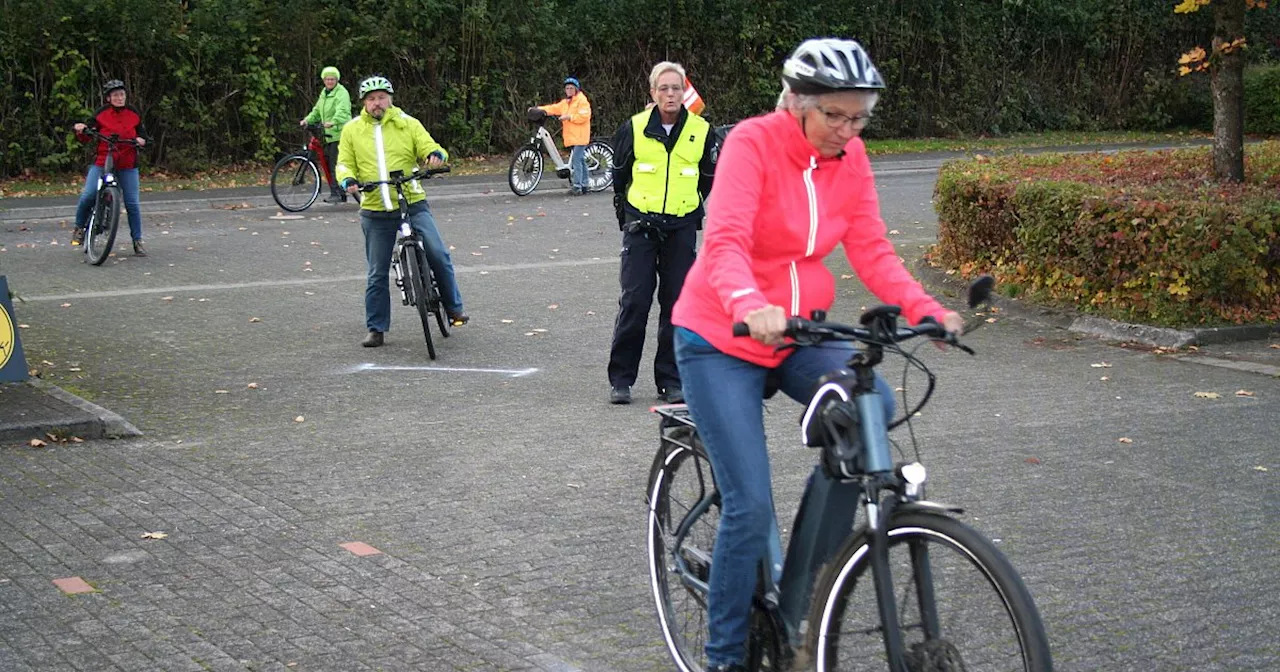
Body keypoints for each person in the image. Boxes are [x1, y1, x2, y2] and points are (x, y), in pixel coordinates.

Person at [669, 38, 965, 671]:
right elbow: (722, 241)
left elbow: (870, 246)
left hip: (799, 331)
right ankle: (724, 659)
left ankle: (802, 590)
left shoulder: (851, 158)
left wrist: (923, 308)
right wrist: (750, 302)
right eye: (835, 115)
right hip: (723, 335)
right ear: (797, 104)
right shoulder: (753, 143)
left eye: (859, 116)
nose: (848, 129)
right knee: (748, 503)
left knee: (871, 404)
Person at [606, 62, 716, 405]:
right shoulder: (634, 128)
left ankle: (670, 381)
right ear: (652, 93)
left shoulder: (702, 130)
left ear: (684, 92)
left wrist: (687, 206)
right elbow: (620, 176)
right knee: (635, 302)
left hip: (681, 228)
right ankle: (621, 380)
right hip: (641, 226)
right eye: (663, 88)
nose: (670, 94)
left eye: (676, 88)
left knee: (677, 306)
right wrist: (630, 217)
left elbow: (708, 177)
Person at [335, 75, 468, 348]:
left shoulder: (408, 123)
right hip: (374, 207)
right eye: (371, 99)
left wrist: (435, 155)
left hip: (411, 201)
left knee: (438, 253)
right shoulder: (352, 130)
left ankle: (454, 308)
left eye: (382, 97)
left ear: (391, 99)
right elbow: (344, 163)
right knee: (377, 272)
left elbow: (430, 146)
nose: (377, 103)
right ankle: (376, 328)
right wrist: (347, 179)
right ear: (363, 103)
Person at [71, 80, 149, 256]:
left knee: (132, 203)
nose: (119, 98)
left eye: (122, 94)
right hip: (103, 161)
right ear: (108, 98)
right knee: (89, 194)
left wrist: (141, 140)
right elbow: (88, 133)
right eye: (115, 95)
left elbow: (142, 134)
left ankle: (137, 240)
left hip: (127, 164)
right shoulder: (101, 114)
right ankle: (79, 227)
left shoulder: (133, 113)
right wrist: (82, 130)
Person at [299, 65, 352, 203]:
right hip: (327, 135)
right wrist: (307, 120)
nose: (330, 81)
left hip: (339, 133)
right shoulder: (324, 93)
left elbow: (343, 111)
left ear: (337, 80)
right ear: (323, 80)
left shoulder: (341, 93)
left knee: (335, 164)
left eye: (332, 79)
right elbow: (317, 110)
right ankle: (336, 192)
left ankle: (338, 193)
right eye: (327, 79)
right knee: (328, 163)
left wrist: (333, 122)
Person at [534, 77, 592, 195]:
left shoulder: (582, 101)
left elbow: (584, 115)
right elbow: (553, 108)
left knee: (576, 159)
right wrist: (538, 109)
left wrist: (569, 117)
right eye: (567, 88)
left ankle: (577, 186)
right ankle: (585, 184)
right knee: (580, 160)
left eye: (571, 88)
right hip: (573, 136)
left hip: (580, 135)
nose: (569, 90)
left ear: (576, 89)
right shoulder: (566, 103)